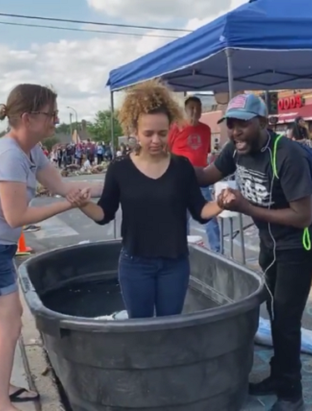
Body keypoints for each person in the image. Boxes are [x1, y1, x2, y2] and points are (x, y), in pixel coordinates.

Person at [0, 84, 101, 411]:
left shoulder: (31, 150)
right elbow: (16, 215)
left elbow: (62, 186)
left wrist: (123, 183)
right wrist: (67, 206)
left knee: (10, 321)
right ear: (27, 117)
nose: (55, 120)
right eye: (51, 114)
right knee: (8, 327)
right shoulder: (8, 156)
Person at [194, 93, 312, 411]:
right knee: (273, 313)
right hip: (270, 245)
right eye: (231, 124)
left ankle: (291, 395)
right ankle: (278, 376)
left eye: (244, 123)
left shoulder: (287, 155)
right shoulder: (235, 151)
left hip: (298, 246)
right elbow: (205, 175)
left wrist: (245, 205)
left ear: (263, 123)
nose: (236, 131)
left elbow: (302, 216)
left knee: (286, 320)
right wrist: (168, 162)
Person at [68, 81, 223, 319]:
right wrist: (83, 205)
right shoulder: (119, 169)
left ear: (171, 128)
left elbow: (200, 211)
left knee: (169, 329)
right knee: (139, 329)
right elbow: (104, 214)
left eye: (162, 133)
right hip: (135, 265)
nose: (156, 140)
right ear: (134, 132)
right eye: (148, 133)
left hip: (175, 265)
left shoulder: (182, 168)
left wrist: (222, 203)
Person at [168, 95, 222, 253]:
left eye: (198, 108)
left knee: (210, 216)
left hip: (200, 178)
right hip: (178, 178)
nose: (195, 111)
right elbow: (167, 150)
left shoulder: (206, 129)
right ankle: (182, 249)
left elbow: (205, 152)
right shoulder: (176, 127)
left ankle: (217, 251)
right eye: (191, 108)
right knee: (181, 217)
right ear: (185, 110)